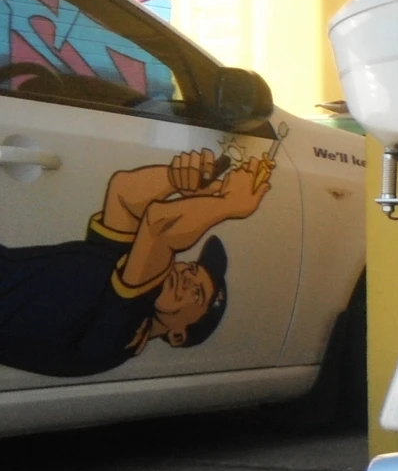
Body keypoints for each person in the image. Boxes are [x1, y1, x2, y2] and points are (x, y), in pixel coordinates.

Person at [0, 148, 271, 377]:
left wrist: (228, 204)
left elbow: (159, 227)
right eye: (191, 268)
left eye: (196, 293)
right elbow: (124, 194)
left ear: (178, 334)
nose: (187, 277)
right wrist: (178, 180)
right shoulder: (124, 272)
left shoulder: (121, 335)